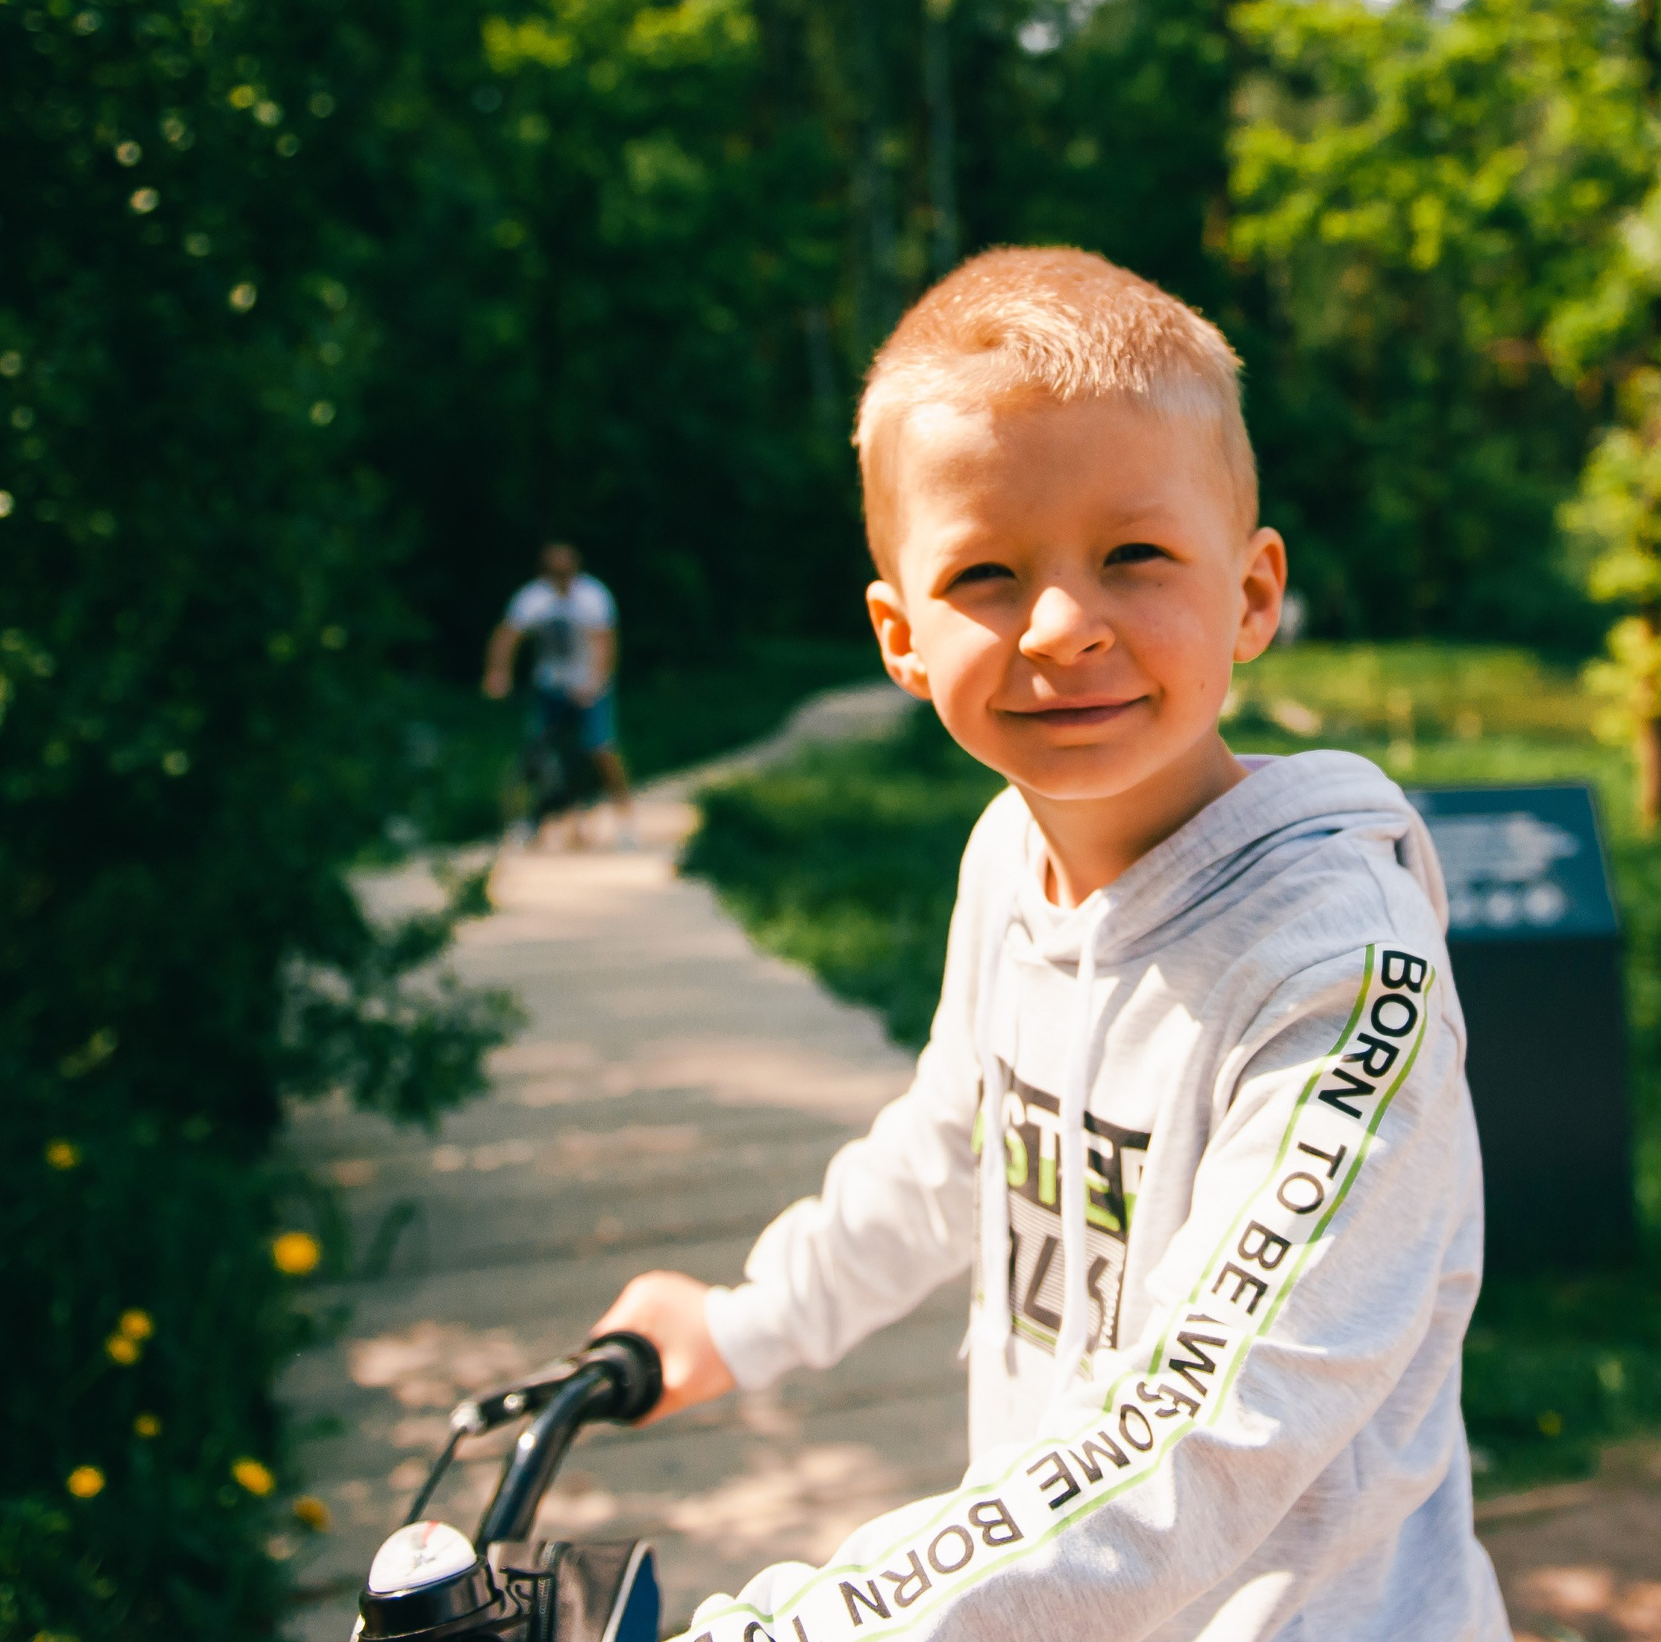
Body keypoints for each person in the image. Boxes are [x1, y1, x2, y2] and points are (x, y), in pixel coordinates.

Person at [591, 249, 1507, 1642]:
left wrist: (795, 1624)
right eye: (985, 574)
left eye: (1134, 555)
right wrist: (741, 1324)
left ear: (1252, 592)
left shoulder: (1339, 977)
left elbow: (1204, 1426)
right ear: (900, 635)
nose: (1065, 625)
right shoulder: (1005, 859)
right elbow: (953, 1146)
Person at [482, 541, 634, 846]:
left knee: (601, 749)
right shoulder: (533, 597)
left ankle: (625, 821)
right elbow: (508, 636)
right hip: (550, 687)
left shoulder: (593, 596)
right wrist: (497, 673)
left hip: (589, 687)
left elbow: (604, 643)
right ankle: (531, 821)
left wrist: (595, 682)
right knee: (536, 753)